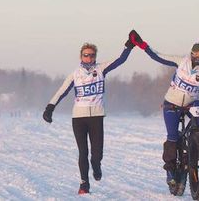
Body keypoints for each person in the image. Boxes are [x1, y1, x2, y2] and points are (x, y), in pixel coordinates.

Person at [43, 36, 135, 195]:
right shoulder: (75, 74)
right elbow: (61, 91)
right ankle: (84, 184)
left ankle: (96, 165)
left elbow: (120, 59)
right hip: (79, 117)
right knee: (83, 152)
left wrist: (129, 45)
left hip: (97, 116)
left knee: (97, 153)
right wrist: (50, 108)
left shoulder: (101, 69)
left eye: (92, 55)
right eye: (86, 55)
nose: (89, 57)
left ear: (95, 56)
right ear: (81, 56)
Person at [129, 30, 199, 186]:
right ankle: (171, 170)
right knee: (172, 136)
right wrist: (142, 44)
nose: (197, 56)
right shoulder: (181, 62)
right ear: (191, 51)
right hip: (171, 102)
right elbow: (157, 56)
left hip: (191, 103)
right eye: (195, 51)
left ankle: (197, 145)